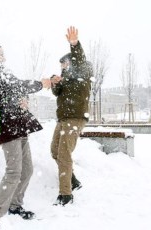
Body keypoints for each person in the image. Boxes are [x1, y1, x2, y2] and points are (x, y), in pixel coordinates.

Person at [0, 43, 51, 230]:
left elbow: (13, 91)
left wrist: (23, 101)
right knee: (14, 171)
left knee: (27, 169)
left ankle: (15, 206)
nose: (3, 54)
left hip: (18, 124)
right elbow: (16, 86)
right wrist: (40, 84)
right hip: (8, 126)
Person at [50, 26, 93, 206]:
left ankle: (66, 195)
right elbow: (56, 92)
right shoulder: (66, 79)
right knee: (55, 151)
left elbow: (79, 59)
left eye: (64, 64)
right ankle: (72, 180)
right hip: (63, 119)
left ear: (72, 63)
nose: (62, 67)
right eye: (61, 65)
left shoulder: (82, 71)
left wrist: (74, 44)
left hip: (75, 118)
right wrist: (54, 82)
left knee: (64, 154)